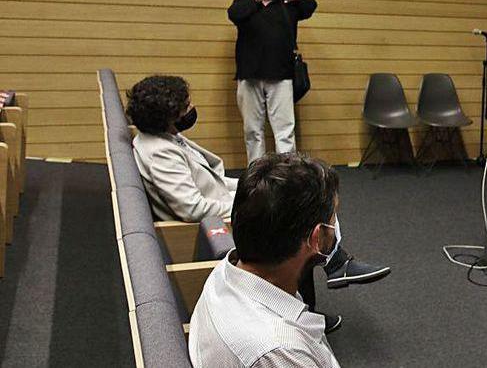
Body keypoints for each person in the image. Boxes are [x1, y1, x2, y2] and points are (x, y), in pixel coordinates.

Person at [126, 75, 390, 312]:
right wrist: (249, 199)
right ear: (168, 114)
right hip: (206, 224)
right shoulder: (159, 152)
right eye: (186, 106)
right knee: (306, 209)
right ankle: (331, 270)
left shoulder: (166, 138)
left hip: (216, 210)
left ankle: (322, 286)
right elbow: (192, 207)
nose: (191, 110)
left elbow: (214, 181)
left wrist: (251, 187)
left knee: (305, 194)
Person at [189, 153, 347, 367]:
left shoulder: (226, 272)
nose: (335, 225)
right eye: (332, 218)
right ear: (317, 238)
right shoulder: (281, 352)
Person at [227, 0, 316, 163]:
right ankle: (257, 174)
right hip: (250, 75)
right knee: (252, 131)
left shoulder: (285, 2)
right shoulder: (244, 1)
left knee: (285, 130)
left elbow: (310, 7)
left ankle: (288, 175)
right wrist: (255, 0)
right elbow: (234, 14)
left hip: (281, 75)